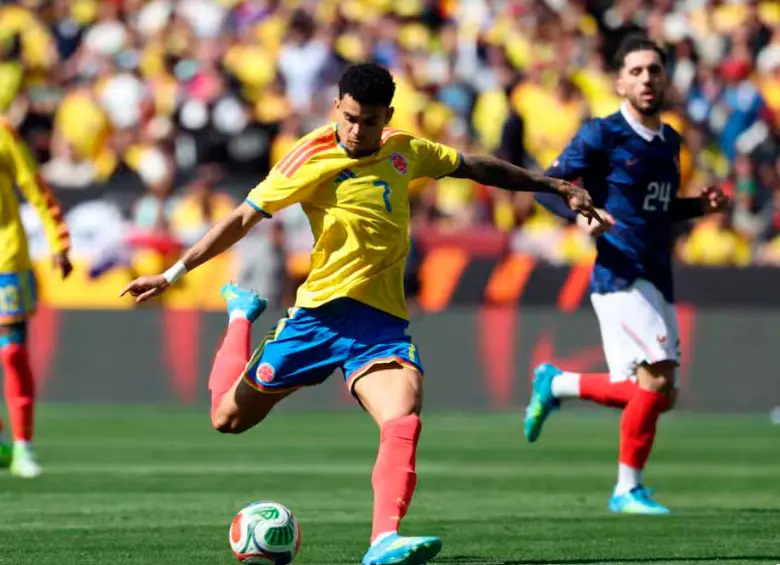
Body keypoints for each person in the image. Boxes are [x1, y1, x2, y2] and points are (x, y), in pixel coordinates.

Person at [121, 63, 599, 565]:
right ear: (336, 108)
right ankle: (241, 315)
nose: (356, 130)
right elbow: (242, 217)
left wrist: (554, 185)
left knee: (403, 413)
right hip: (317, 319)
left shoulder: (405, 150)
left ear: (386, 116)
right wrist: (172, 273)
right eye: (349, 118)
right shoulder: (309, 155)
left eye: (368, 121)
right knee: (227, 418)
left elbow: (476, 167)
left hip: (379, 325)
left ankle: (382, 540)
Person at [525, 35, 730, 515]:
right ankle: (626, 490)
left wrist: (699, 207)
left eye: (654, 70)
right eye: (635, 71)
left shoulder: (670, 141)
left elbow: (653, 211)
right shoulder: (602, 134)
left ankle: (556, 384)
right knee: (655, 383)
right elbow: (544, 187)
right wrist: (577, 213)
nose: (646, 79)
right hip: (619, 271)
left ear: (665, 79)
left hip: (657, 272)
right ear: (619, 81)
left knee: (663, 395)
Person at [0, 118, 72, 478]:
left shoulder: (3, 131)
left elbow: (33, 185)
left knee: (12, 352)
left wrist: (58, 241)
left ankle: (23, 446)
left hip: (6, 258)